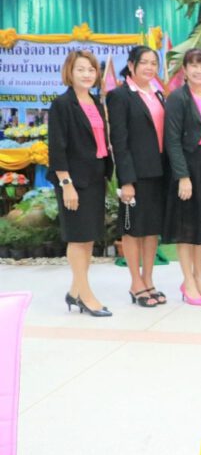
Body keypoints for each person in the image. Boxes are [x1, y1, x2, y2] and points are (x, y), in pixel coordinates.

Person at [48, 50, 114, 317]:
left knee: (88, 238)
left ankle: (75, 291)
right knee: (77, 237)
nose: (87, 74)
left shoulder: (96, 101)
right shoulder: (62, 104)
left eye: (91, 69)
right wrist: (66, 183)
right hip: (73, 181)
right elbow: (57, 148)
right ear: (70, 72)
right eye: (81, 69)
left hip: (95, 178)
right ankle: (86, 296)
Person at [163, 48, 201, 306]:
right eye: (194, 66)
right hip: (188, 166)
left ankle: (199, 279)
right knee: (187, 227)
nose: (199, 71)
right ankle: (187, 281)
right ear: (185, 70)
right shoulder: (178, 98)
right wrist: (183, 176)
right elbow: (172, 140)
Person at [107, 45, 167, 308]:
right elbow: (119, 142)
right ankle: (135, 283)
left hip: (158, 173)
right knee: (132, 230)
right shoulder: (120, 96)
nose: (150, 67)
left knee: (151, 230)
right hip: (136, 176)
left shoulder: (157, 94)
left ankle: (148, 280)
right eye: (144, 62)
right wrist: (126, 181)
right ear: (131, 65)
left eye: (154, 63)